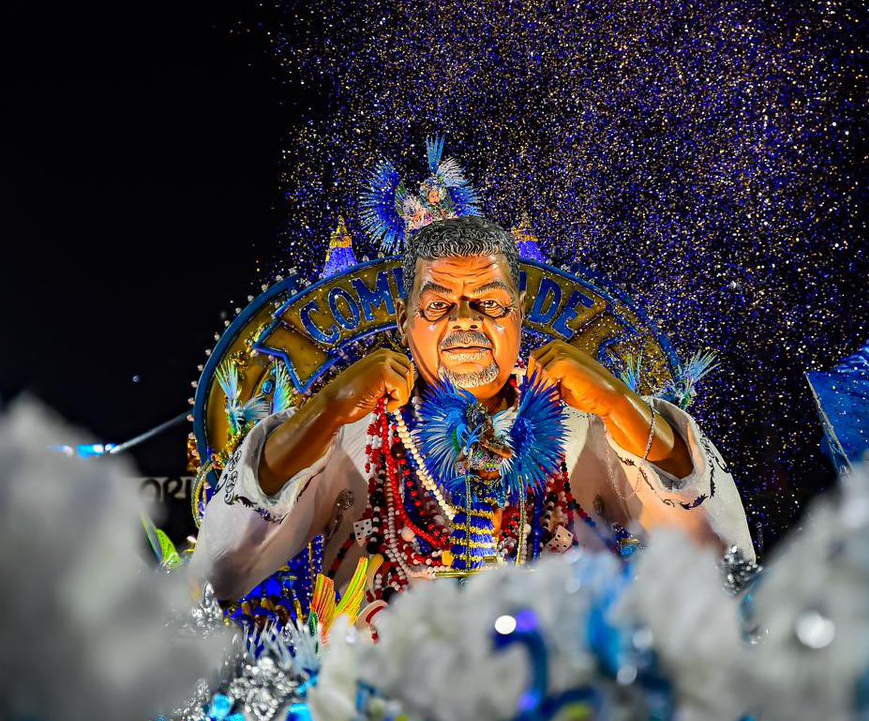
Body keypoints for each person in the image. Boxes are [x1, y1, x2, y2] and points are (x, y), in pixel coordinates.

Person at [195, 216, 752, 605]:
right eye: (439, 305)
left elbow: (723, 561)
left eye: (489, 302)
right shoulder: (350, 436)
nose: (466, 321)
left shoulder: (589, 431)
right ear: (403, 320)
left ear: (520, 314)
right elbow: (220, 574)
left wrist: (617, 402)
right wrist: (326, 409)